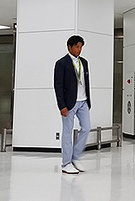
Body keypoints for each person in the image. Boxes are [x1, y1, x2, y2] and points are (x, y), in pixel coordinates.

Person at [54, 35, 91, 175]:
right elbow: (58, 86)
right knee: (68, 133)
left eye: (81, 47)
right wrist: (61, 106)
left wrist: (88, 101)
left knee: (87, 128)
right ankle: (66, 163)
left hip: (83, 101)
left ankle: (75, 157)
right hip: (69, 104)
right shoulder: (61, 63)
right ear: (69, 47)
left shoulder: (84, 62)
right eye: (76, 46)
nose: (79, 49)